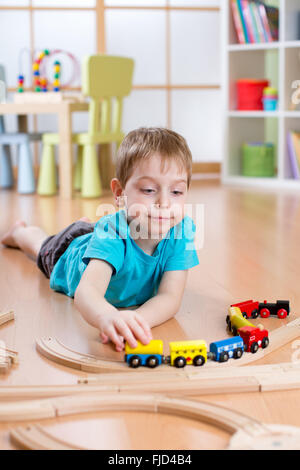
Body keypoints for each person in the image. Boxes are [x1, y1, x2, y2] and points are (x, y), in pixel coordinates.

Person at [1, 127, 199, 352]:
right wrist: (107, 316)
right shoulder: (113, 234)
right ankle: (20, 232)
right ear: (119, 193)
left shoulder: (181, 232)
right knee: (41, 246)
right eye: (149, 190)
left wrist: (134, 321)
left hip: (98, 234)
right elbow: (87, 292)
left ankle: (84, 228)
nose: (164, 203)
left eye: (176, 192)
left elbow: (170, 296)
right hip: (67, 253)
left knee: (95, 232)